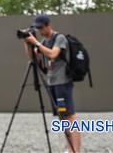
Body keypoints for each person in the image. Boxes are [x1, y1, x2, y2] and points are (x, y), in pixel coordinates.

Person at [24, 14, 81, 153]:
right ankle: (69, 148)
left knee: (70, 116)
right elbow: (32, 56)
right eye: (37, 28)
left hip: (63, 82)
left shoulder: (59, 38)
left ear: (48, 25)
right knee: (62, 117)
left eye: (41, 27)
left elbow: (53, 54)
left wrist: (36, 43)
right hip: (52, 83)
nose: (40, 31)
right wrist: (27, 43)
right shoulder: (44, 41)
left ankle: (76, 150)